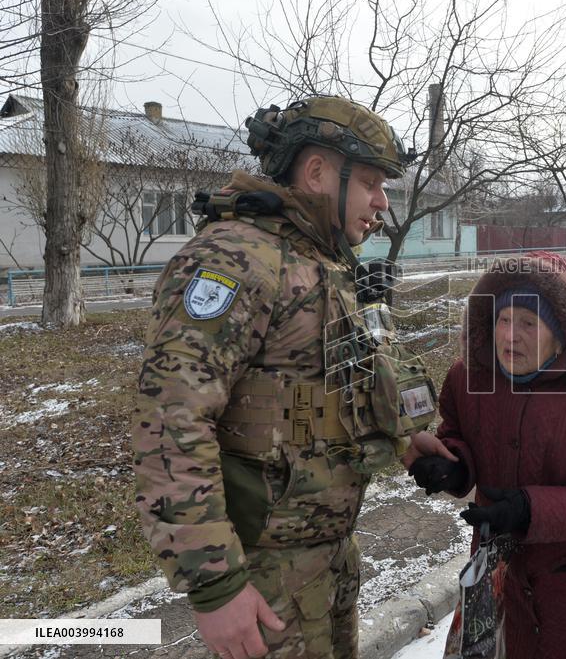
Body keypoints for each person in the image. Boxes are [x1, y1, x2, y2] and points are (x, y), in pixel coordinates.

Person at [132, 96, 453, 659]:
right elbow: (169, 421)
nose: (382, 203)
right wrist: (216, 588)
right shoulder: (237, 259)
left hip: (326, 560)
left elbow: (341, 381)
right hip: (264, 578)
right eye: (373, 183)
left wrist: (402, 437)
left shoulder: (322, 263)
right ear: (317, 172)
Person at [405, 251, 566, 659]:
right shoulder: (468, 380)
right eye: (504, 320)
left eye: (527, 323)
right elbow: (458, 434)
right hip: (505, 588)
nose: (509, 336)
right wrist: (452, 466)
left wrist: (528, 509)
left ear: (562, 334)